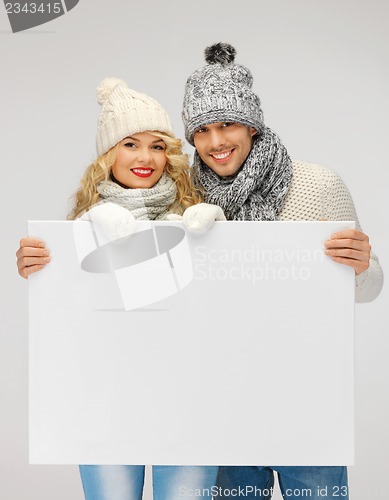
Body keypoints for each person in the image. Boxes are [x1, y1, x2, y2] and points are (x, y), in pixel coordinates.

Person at [181, 42, 384, 499]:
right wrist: (49, 261)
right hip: (220, 408)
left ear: (252, 125)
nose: (216, 143)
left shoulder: (317, 183)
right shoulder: (184, 198)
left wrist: (360, 265)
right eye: (202, 130)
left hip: (307, 403)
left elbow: (368, 287)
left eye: (228, 124)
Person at [17, 77, 223, 499]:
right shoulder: (78, 230)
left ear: (170, 156)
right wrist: (38, 265)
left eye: (158, 145)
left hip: (188, 403)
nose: (145, 157)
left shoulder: (194, 221)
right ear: (108, 154)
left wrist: (222, 242)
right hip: (105, 403)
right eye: (130, 144)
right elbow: (70, 317)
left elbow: (222, 311)